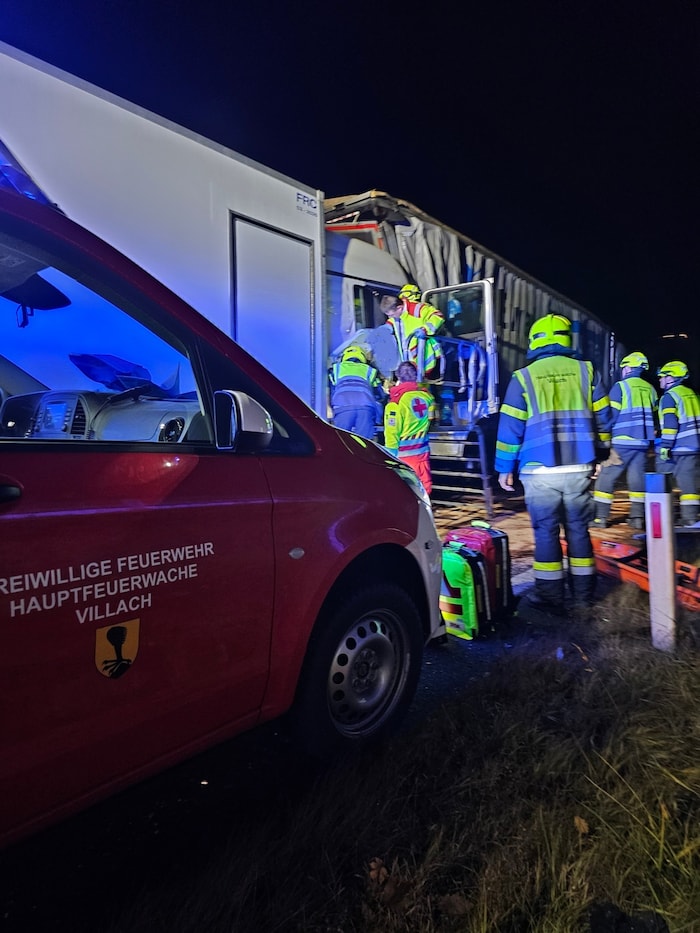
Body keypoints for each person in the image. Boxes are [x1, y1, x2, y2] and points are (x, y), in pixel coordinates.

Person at [495, 313, 612, 612]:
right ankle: (584, 596)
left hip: (539, 470)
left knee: (546, 531)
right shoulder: (587, 371)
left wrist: (504, 468)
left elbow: (510, 429)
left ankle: (551, 597)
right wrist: (600, 456)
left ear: (535, 341)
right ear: (565, 338)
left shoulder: (523, 377)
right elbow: (603, 419)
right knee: (578, 530)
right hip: (579, 467)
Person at [591, 351, 658, 530]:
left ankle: (600, 518)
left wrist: (602, 437)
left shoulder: (621, 387)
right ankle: (636, 518)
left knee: (606, 478)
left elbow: (610, 416)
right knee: (637, 480)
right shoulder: (651, 389)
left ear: (628, 368)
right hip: (643, 443)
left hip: (622, 442)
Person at [655, 360, 700, 526]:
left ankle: (680, 517)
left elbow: (670, 424)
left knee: (671, 481)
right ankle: (688, 516)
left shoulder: (669, 397)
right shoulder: (690, 394)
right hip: (693, 445)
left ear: (670, 378)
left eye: (662, 377)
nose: (660, 380)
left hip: (679, 446)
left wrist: (665, 446)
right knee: (689, 482)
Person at [384, 360, 436, 494]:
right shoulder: (428, 397)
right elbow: (432, 419)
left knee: (404, 491)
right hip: (422, 452)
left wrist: (390, 456)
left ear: (399, 377)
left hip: (403, 457)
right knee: (425, 487)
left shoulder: (395, 403)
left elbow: (392, 432)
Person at [383, 284, 445, 375]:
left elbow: (438, 316)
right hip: (411, 360)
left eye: (391, 315)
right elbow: (391, 324)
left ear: (399, 308)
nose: (390, 317)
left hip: (425, 357)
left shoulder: (417, 309)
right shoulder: (398, 313)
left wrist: (425, 329)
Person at [328, 345, 385, 439]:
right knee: (365, 443)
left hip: (343, 407)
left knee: (341, 441)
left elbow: (331, 388)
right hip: (365, 407)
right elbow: (379, 394)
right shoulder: (370, 371)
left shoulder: (336, 369)